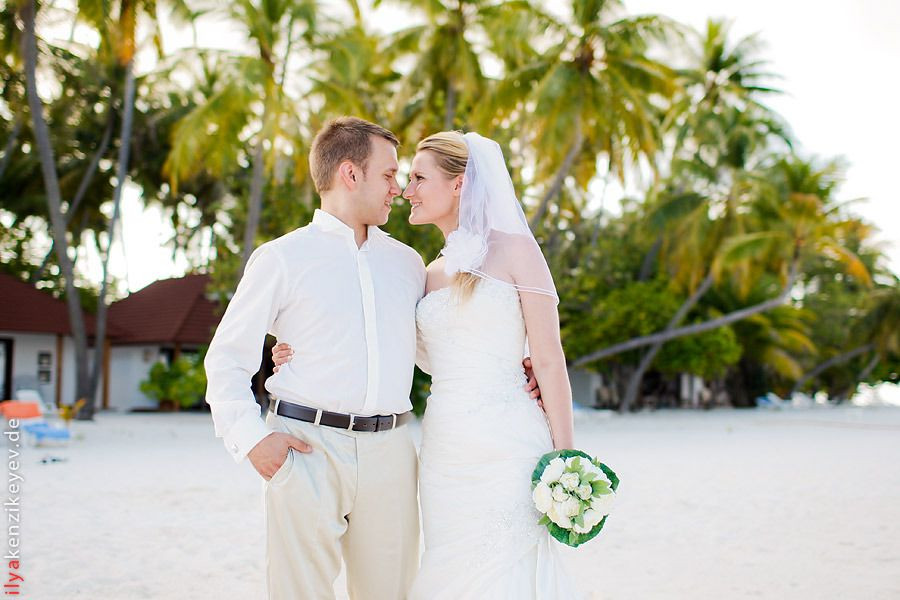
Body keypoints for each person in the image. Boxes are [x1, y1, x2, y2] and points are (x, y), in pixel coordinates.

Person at [203, 117, 540, 600]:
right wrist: (252, 441)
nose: (399, 190)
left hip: (392, 452)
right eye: (388, 175)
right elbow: (226, 359)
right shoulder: (282, 257)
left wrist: (514, 363)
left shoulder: (406, 263)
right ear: (350, 173)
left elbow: (434, 350)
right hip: (305, 447)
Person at [273, 130, 580, 598]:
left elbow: (550, 359)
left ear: (459, 184)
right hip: (445, 449)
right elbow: (386, 343)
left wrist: (566, 457)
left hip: (509, 439)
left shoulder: (517, 250)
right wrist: (296, 349)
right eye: (403, 177)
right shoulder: (424, 272)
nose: (404, 189)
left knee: (510, 564)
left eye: (418, 178)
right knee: (450, 566)